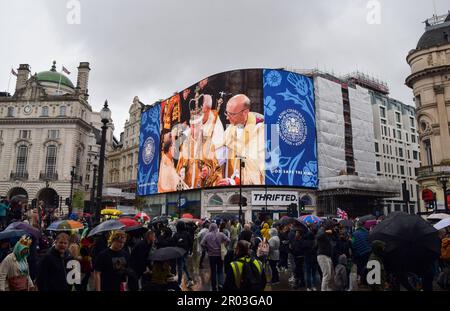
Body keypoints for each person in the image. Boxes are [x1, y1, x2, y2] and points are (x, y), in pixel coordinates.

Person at [217, 94, 265, 186]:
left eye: (232, 114)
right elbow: (219, 154)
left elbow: (260, 168)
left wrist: (236, 181)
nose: (227, 117)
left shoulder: (261, 129)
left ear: (245, 112)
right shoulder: (231, 129)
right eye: (227, 113)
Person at [201, 222, 230, 291]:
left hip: (211, 255)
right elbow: (228, 240)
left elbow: (202, 243)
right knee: (220, 270)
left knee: (213, 270)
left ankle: (214, 286)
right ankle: (220, 284)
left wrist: (207, 248)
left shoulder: (207, 235)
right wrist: (224, 246)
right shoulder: (221, 234)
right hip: (220, 254)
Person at [172, 221, 194, 288]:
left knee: (180, 267)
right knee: (184, 265)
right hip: (185, 252)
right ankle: (190, 279)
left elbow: (173, 244)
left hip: (178, 253)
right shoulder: (187, 234)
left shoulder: (176, 234)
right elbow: (191, 242)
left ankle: (179, 283)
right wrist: (190, 250)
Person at [352, 220, 372, 285]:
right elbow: (369, 241)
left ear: (357, 226)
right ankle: (367, 280)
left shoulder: (354, 234)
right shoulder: (367, 232)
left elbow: (353, 244)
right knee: (366, 266)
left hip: (359, 253)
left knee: (360, 267)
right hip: (368, 252)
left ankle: (360, 280)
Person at [316, 224, 335, 291]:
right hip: (322, 255)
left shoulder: (328, 232)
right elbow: (318, 236)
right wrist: (326, 232)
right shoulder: (321, 230)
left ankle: (328, 288)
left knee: (331, 274)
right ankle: (324, 289)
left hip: (328, 256)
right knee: (326, 274)